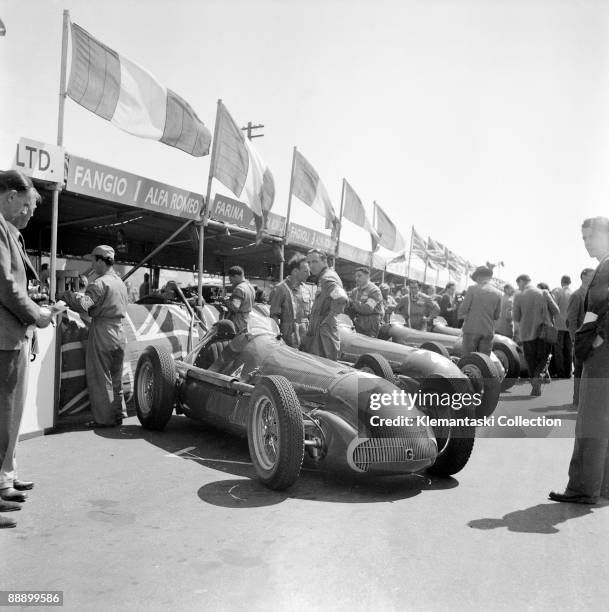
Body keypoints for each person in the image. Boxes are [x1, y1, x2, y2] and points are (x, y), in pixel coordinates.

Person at [0, 170, 53, 525]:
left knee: (11, 415)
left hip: (12, 335)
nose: (31, 212)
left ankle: (4, 479)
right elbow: (5, 285)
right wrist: (37, 314)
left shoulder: (10, 233)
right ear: (10, 196)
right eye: (28, 203)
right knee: (3, 414)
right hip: (4, 336)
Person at [550, 217, 609, 504]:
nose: (586, 242)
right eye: (583, 238)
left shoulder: (607, 265)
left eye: (590, 237)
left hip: (602, 356)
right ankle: (602, 487)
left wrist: (598, 340)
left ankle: (583, 489)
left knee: (591, 421)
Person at [61, 245, 129, 428]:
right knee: (116, 377)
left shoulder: (99, 284)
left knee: (100, 378)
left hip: (103, 332)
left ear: (100, 261)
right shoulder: (120, 283)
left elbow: (85, 305)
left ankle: (104, 420)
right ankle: (118, 414)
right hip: (120, 333)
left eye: (93, 260)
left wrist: (68, 296)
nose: (91, 264)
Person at [512, 273, 559, 396]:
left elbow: (516, 318)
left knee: (530, 360)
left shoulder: (518, 296)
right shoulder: (544, 293)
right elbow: (556, 310)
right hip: (544, 332)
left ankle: (535, 382)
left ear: (521, 282)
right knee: (543, 358)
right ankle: (537, 377)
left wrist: (516, 335)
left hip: (526, 333)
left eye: (518, 284)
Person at [303, 249, 347, 361]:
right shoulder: (324, 277)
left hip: (323, 331)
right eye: (309, 263)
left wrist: (328, 319)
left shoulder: (327, 278)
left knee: (323, 366)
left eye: (314, 261)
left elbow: (341, 298)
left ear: (324, 261)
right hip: (321, 328)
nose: (311, 265)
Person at [270, 254, 313, 348]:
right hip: (287, 337)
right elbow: (274, 316)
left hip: (305, 336)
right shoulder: (280, 289)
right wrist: (277, 337)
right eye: (306, 271)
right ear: (295, 271)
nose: (309, 274)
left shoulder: (306, 290)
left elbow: (310, 315)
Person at [566, 268, 595, 406]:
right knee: (578, 370)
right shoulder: (577, 295)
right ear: (583, 276)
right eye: (591, 275)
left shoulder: (591, 294)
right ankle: (577, 399)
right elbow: (571, 319)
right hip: (580, 338)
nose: (594, 278)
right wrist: (574, 338)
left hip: (590, 338)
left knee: (586, 370)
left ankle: (583, 400)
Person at [458, 266, 501, 355]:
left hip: (471, 329)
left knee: (467, 359)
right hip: (488, 331)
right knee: (484, 362)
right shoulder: (498, 293)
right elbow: (496, 316)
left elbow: (463, 309)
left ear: (478, 277)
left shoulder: (472, 289)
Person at [348, 267, 384, 337]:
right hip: (357, 323)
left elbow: (368, 309)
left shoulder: (374, 290)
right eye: (356, 276)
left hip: (370, 324)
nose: (357, 278)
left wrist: (352, 303)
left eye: (359, 276)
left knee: (368, 345)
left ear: (367, 276)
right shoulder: (355, 291)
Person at [551, 275, 573, 378]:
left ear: (561, 282)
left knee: (558, 350)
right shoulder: (573, 293)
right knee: (568, 350)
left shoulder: (558, 291)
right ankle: (568, 372)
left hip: (558, 325)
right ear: (570, 282)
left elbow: (552, 305)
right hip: (570, 326)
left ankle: (560, 373)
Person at [226, 266, 255, 334]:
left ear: (236, 276)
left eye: (231, 278)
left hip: (239, 321)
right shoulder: (250, 287)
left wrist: (224, 301)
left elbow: (234, 307)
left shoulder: (239, 289)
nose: (230, 281)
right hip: (247, 319)